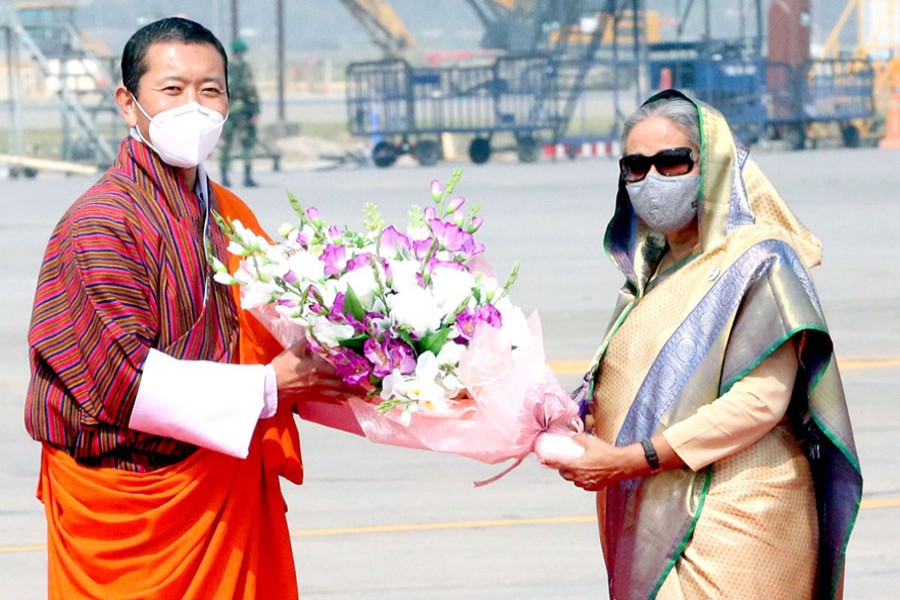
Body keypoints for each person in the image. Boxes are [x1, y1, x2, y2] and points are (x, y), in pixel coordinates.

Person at [25, 17, 351, 599]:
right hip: (127, 513)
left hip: (219, 495)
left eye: (210, 91)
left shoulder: (228, 214)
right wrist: (268, 387)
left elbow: (286, 331)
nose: (194, 107)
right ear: (129, 103)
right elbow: (125, 383)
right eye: (172, 91)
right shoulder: (99, 226)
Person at [543, 90, 862, 599]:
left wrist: (632, 459)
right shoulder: (649, 278)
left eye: (672, 162)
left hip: (738, 515)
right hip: (658, 500)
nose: (652, 180)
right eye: (635, 166)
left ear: (709, 166)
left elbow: (759, 402)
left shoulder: (759, 261)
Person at [219, 37, 261, 187]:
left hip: (227, 110)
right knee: (247, 144)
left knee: (225, 144)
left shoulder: (223, 67)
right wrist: (256, 110)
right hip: (243, 111)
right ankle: (247, 177)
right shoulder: (244, 68)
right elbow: (250, 89)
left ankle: (224, 177)